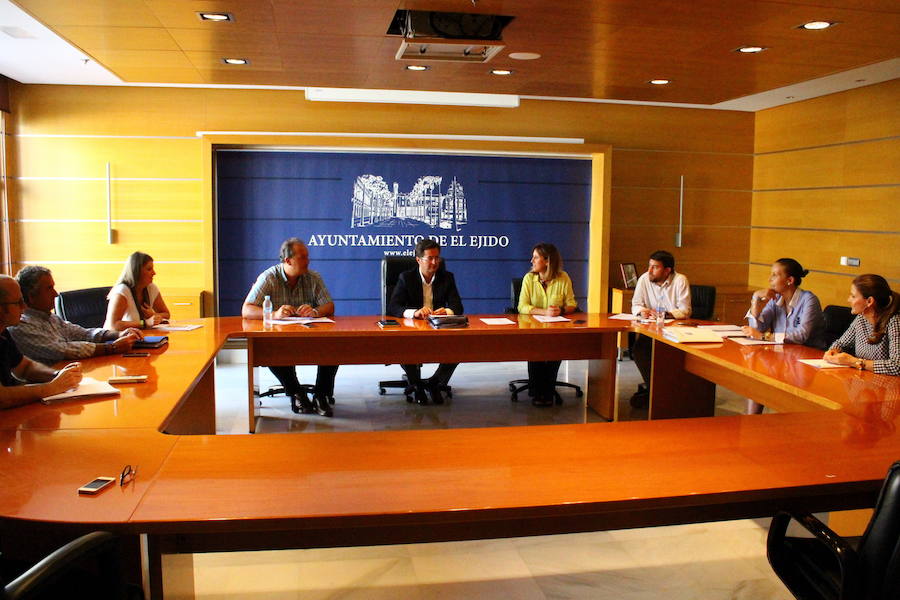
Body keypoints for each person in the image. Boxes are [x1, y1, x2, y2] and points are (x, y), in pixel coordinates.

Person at [242, 238, 339, 417]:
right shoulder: (269, 277)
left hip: (309, 335)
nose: (308, 261)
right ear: (288, 260)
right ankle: (296, 392)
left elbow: (329, 306)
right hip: (279, 337)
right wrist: (274, 314)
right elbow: (246, 309)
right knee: (268, 350)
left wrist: (315, 311)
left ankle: (321, 395)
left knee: (333, 345)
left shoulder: (313, 277)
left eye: (307, 257)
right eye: (303, 257)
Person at [9, 266, 143, 365]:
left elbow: (83, 333)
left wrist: (117, 334)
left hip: (69, 374)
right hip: (45, 386)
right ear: (31, 296)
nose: (55, 294)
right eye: (49, 289)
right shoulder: (20, 325)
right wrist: (112, 348)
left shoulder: (50, 317)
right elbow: (61, 350)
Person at [742, 258, 826, 414]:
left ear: (789, 280)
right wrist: (755, 300)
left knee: (765, 379)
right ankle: (751, 422)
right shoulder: (776, 300)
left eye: (775, 275)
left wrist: (765, 337)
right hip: (784, 357)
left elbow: (801, 335)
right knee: (757, 378)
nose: (770, 279)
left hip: (808, 362)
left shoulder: (809, 300)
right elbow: (757, 328)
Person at [387, 238, 464, 405]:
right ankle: (417, 386)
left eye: (437, 258)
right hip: (413, 331)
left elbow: (457, 306)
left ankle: (434, 382)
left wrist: (446, 311)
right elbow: (393, 307)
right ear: (418, 260)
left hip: (438, 330)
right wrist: (414, 312)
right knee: (405, 346)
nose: (435, 262)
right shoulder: (406, 278)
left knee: (459, 347)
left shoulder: (447, 277)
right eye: (430, 258)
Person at [0, 275, 84, 410]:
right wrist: (51, 388)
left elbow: (25, 368)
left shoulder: (3, 332)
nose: (24, 307)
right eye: (18, 302)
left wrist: (57, 375)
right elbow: (2, 398)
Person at [629, 250, 691, 408]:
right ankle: (654, 389)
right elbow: (635, 304)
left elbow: (685, 310)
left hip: (674, 329)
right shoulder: (644, 279)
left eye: (655, 267)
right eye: (649, 266)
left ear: (667, 270)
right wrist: (642, 311)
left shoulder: (680, 280)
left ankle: (661, 392)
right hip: (651, 328)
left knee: (669, 355)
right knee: (640, 350)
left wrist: (665, 314)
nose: (649, 270)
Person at [518, 243, 578, 406]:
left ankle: (548, 390)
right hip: (533, 329)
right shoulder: (529, 279)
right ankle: (538, 391)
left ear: (547, 261)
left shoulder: (563, 277)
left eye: (536, 257)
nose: (531, 261)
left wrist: (561, 310)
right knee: (536, 348)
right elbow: (522, 306)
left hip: (556, 329)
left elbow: (572, 304)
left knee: (556, 349)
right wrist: (544, 312)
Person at [824, 274, 899, 376]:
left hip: (886, 382)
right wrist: (833, 351)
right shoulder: (861, 318)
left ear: (869, 301)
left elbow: (896, 366)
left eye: (853, 296)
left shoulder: (894, 322)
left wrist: (854, 362)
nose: (848, 300)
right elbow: (841, 343)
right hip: (862, 378)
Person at [104, 251, 170, 331]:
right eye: (149, 269)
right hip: (119, 337)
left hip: (142, 335)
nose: (154, 273)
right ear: (137, 271)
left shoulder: (151, 288)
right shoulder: (122, 291)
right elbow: (113, 325)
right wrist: (144, 323)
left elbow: (166, 314)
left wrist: (154, 315)